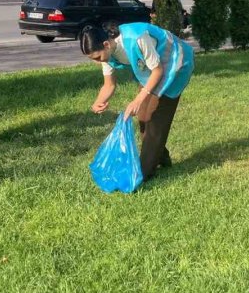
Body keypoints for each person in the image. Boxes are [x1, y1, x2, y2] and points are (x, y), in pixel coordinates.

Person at [81, 22, 194, 180]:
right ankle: (162, 158)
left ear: (106, 44)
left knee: (154, 118)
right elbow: (109, 85)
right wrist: (98, 102)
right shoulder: (107, 54)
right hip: (153, 69)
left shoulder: (137, 38)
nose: (98, 61)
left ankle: (143, 175)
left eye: (97, 57)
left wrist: (137, 100)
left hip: (175, 64)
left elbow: (158, 70)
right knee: (142, 117)